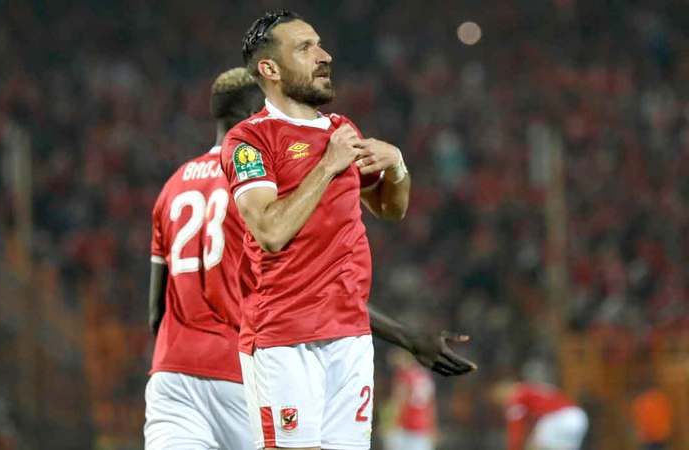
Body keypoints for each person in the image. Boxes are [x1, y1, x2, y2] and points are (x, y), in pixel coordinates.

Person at [220, 10, 475, 450]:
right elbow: (270, 232)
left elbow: (390, 209)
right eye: (305, 48)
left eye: (319, 44)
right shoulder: (250, 141)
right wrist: (327, 165)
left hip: (351, 338)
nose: (324, 56)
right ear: (270, 69)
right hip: (284, 338)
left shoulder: (342, 130)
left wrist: (397, 165)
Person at [145, 67, 264, 450]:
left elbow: (155, 313)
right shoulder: (256, 185)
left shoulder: (172, 185)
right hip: (237, 373)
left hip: (172, 375)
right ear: (253, 114)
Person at [493, 381, 588, 450]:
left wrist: (513, 448)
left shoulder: (517, 396)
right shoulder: (531, 387)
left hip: (559, 417)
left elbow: (515, 427)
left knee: (534, 446)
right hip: (578, 417)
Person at [382, 350, 437, 450]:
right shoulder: (425, 376)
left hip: (406, 427)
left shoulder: (404, 376)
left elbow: (399, 401)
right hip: (423, 428)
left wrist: (389, 424)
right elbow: (431, 405)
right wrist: (432, 428)